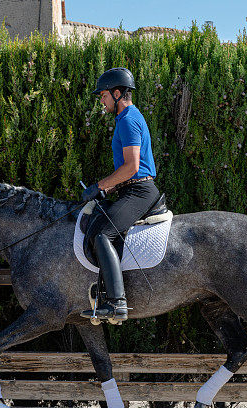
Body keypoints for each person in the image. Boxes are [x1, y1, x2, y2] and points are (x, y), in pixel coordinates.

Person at [81, 67, 160, 322]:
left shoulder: (128, 119)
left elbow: (132, 167)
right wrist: (110, 188)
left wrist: (100, 186)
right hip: (132, 188)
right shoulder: (126, 118)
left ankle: (116, 304)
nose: (101, 101)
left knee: (103, 233)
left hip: (140, 192)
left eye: (103, 95)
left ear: (117, 93)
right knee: (98, 225)